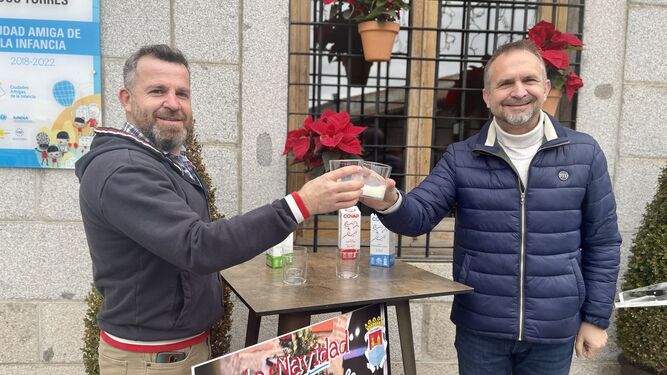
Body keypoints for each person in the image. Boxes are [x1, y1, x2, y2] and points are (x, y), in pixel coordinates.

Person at [75, 44, 365, 375]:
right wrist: (300, 205)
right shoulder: (122, 170)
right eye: (157, 91)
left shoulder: (162, 159)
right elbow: (198, 245)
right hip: (152, 361)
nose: (173, 103)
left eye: (182, 93)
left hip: (176, 351)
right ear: (127, 99)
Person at [361, 39, 621, 375]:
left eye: (528, 80)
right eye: (505, 83)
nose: (518, 91)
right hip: (480, 329)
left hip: (554, 329)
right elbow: (418, 217)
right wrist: (390, 201)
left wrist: (596, 319)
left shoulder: (585, 154)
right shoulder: (462, 158)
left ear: (545, 87)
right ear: (487, 96)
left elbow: (603, 243)